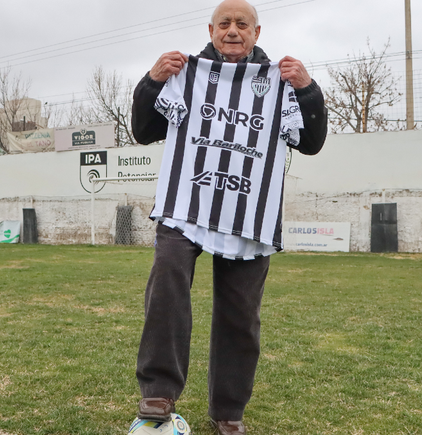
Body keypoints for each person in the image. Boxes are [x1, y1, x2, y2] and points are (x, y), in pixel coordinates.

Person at [130, 1, 327, 434]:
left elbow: (310, 142)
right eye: (225, 23)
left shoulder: (281, 81)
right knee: (167, 281)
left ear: (257, 32)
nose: (233, 31)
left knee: (240, 314)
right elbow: (144, 131)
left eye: (242, 24)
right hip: (185, 206)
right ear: (211, 29)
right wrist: (152, 81)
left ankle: (228, 412)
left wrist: (309, 90)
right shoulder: (187, 74)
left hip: (250, 214)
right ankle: (159, 390)